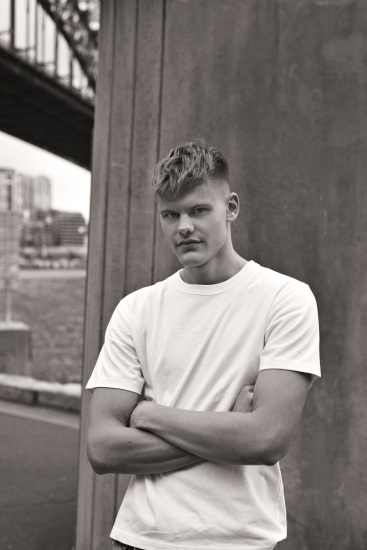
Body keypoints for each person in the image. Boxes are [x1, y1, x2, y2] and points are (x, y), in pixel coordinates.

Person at [86, 141, 321, 550]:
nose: (183, 227)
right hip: (140, 538)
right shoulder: (136, 309)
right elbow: (103, 449)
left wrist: (149, 414)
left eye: (198, 210)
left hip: (239, 540)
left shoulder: (286, 298)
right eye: (170, 214)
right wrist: (229, 429)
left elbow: (266, 441)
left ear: (230, 208)